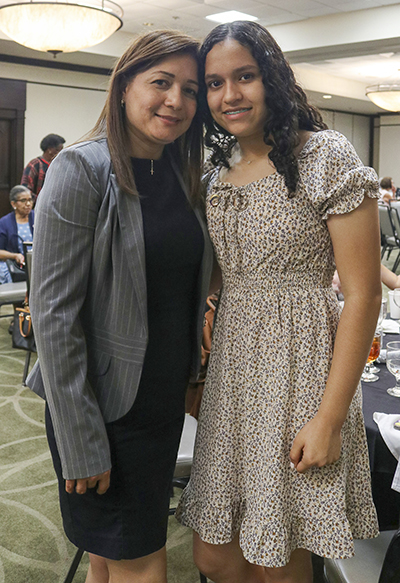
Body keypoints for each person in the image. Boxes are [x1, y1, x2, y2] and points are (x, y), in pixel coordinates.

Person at [176, 21, 381, 583]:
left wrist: (331, 418)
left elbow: (362, 295)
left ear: (273, 77)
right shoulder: (217, 173)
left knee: (280, 557)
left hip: (301, 367)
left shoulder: (324, 155)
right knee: (215, 554)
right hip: (234, 371)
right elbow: (219, 274)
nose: (229, 95)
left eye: (245, 76)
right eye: (214, 83)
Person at [26, 30, 213, 583]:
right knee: (141, 562)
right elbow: (54, 317)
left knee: (110, 557)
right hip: (101, 410)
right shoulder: (80, 169)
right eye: (161, 83)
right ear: (125, 85)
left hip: (158, 402)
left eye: (191, 89)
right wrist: (82, 441)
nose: (176, 100)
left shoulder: (183, 174)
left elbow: (183, 286)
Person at [0, 185, 34, 284]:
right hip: (14, 268)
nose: (28, 204)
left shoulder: (37, 217)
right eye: (23, 200)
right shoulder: (4, 223)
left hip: (36, 265)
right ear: (13, 204)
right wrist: (15, 256)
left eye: (30, 200)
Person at [21, 133, 65, 197]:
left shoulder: (60, 165)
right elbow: (25, 190)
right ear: (49, 149)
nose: (61, 153)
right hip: (36, 205)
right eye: (58, 150)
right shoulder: (35, 164)